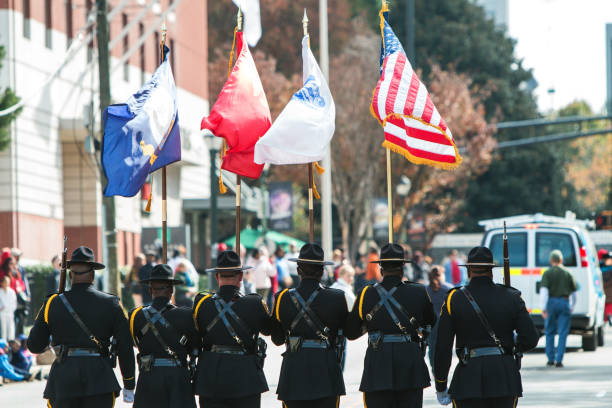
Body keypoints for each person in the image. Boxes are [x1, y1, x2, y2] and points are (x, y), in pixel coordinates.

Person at [28, 246, 136, 407]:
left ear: (70, 275)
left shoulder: (53, 303)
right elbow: (125, 347)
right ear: (93, 274)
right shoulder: (111, 303)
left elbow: (34, 345)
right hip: (100, 379)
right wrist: (129, 383)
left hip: (63, 379)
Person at [434, 246, 539, 407]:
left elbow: (442, 347)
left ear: (468, 270)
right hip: (504, 377)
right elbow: (530, 338)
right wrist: (513, 349)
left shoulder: (453, 299)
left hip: (468, 378)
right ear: (491, 271)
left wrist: (441, 384)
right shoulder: (511, 296)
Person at [344, 243, 436, 408]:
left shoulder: (367, 293)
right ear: (402, 268)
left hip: (378, 362)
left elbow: (350, 332)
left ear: (380, 268)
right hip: (410, 364)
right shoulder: (419, 291)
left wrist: (369, 324)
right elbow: (431, 323)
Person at [192, 250, 274, 408]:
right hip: (245, 378)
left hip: (211, 377)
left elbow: (195, 337)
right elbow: (269, 331)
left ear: (216, 277)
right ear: (241, 277)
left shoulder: (202, 303)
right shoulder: (255, 303)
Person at [270, 243, 348, 408]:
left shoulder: (281, 298)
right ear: (322, 271)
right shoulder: (337, 297)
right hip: (325, 370)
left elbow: (277, 339)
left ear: (298, 270)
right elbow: (347, 332)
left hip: (294, 370)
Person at [129, 264, 199, 408]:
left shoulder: (136, 315)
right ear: (172, 290)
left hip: (149, 378)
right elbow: (195, 347)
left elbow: (135, 343)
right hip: (178, 377)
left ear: (150, 290)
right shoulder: (186, 315)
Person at [540, 249, 579, 368]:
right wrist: (572, 306)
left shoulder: (547, 273)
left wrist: (543, 308)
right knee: (563, 332)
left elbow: (544, 292)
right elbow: (574, 293)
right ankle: (559, 360)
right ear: (561, 260)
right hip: (564, 302)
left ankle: (550, 359)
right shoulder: (568, 273)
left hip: (551, 302)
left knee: (550, 331)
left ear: (551, 260)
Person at [426, 265, 453, 369]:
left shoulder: (426, 290)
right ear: (441, 275)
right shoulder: (449, 289)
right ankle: (443, 375)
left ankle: (434, 370)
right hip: (445, 325)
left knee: (432, 349)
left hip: (431, 325)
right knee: (445, 350)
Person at [330, 265, 356, 372]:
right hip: (341, 329)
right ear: (341, 275)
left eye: (352, 276)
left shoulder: (333, 286)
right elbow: (354, 309)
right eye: (349, 275)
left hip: (329, 328)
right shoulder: (345, 291)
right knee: (340, 360)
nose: (351, 278)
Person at [0, 276, 17, 340]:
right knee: (3, 328)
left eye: (7, 282)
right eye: (4, 282)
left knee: (11, 328)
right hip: (2, 313)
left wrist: (11, 309)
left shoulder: (12, 292)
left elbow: (14, 303)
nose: (6, 283)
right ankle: (3, 343)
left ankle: (11, 342)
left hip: (10, 312)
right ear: (1, 283)